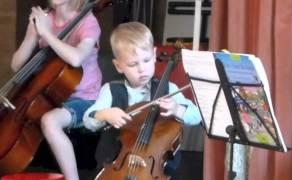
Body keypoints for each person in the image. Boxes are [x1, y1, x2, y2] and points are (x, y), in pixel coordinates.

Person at [83, 21, 201, 177]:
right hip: (116, 162)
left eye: (146, 60)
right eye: (133, 64)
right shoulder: (111, 90)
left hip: (156, 166)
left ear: (154, 54)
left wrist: (177, 109)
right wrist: (104, 114)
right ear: (118, 65)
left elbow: (196, 116)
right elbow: (88, 119)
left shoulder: (169, 89)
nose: (141, 69)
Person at [11, 0, 102, 179]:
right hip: (50, 94)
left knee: (49, 121)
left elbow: (76, 59)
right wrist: (32, 34)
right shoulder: (46, 18)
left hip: (84, 98)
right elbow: (16, 65)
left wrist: (46, 33)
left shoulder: (88, 22)